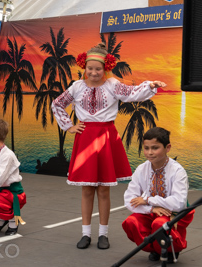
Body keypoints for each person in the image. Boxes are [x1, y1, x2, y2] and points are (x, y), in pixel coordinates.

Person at [51, 43, 167, 249]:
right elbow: (57, 103)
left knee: (104, 190)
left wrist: (151, 85)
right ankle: (86, 233)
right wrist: (69, 126)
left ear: (106, 68)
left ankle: (103, 234)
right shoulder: (76, 87)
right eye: (90, 68)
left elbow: (132, 93)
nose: (94, 72)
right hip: (85, 137)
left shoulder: (113, 85)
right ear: (84, 67)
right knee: (87, 189)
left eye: (98, 69)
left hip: (106, 137)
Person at [122, 127, 194, 263]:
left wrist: (148, 199)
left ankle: (171, 249)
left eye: (155, 148)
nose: (150, 153)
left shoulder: (177, 171)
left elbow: (178, 203)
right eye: (146, 148)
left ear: (168, 148)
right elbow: (129, 199)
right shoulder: (142, 169)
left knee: (160, 223)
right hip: (153, 211)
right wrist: (151, 208)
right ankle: (155, 248)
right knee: (131, 222)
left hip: (174, 213)